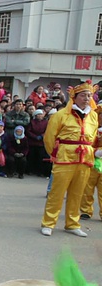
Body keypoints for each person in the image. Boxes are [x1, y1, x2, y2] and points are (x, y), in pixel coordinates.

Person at [41, 81, 99, 237]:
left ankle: (72, 223)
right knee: (57, 192)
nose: (86, 98)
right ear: (74, 97)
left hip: (84, 159)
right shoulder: (61, 115)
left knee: (77, 193)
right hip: (65, 157)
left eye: (89, 95)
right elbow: (49, 137)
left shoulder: (93, 115)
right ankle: (48, 222)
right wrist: (55, 153)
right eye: (83, 95)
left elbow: (93, 137)